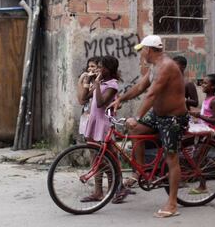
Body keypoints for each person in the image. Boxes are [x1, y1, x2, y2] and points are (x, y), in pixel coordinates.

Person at [109, 35, 189, 218]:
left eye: (142, 50)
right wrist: (121, 98)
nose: (141, 53)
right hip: (158, 114)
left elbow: (151, 95)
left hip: (173, 118)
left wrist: (137, 116)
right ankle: (140, 172)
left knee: (172, 158)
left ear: (149, 50)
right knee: (135, 130)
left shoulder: (167, 66)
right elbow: (139, 88)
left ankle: (172, 203)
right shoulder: (154, 66)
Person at [79, 55, 120, 202]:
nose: (98, 69)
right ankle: (98, 192)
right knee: (96, 157)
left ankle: (112, 189)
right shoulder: (100, 82)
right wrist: (86, 82)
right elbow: (83, 99)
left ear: (109, 69)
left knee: (107, 158)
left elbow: (102, 103)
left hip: (104, 125)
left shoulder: (112, 85)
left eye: (101, 67)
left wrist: (96, 83)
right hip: (93, 122)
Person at [188, 74, 215, 194]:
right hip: (207, 130)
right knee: (201, 156)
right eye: (203, 82)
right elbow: (207, 116)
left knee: (198, 157)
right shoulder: (207, 98)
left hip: (214, 132)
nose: (202, 85)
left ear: (213, 86)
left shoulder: (214, 101)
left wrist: (199, 116)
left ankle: (203, 186)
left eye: (205, 83)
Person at [77, 57, 101, 138]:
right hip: (87, 116)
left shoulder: (102, 82)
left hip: (99, 117)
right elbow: (81, 101)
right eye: (89, 66)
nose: (90, 69)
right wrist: (81, 80)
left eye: (93, 66)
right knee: (90, 144)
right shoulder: (86, 82)